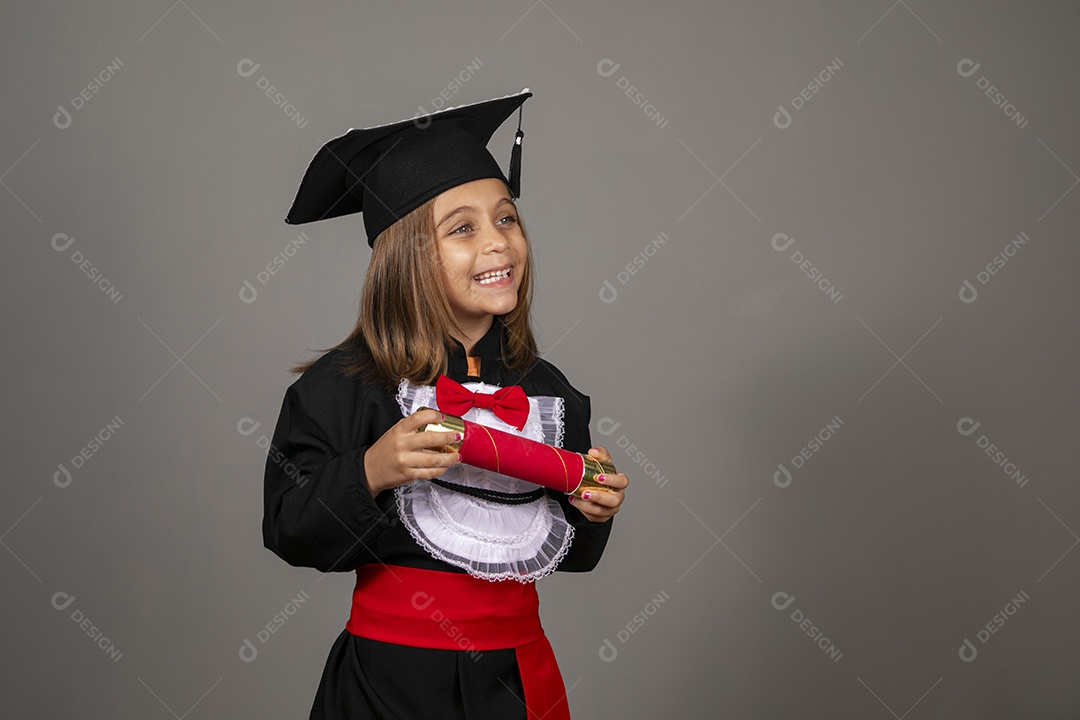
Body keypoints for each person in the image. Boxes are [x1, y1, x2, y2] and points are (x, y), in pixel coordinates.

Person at [263, 89, 628, 720]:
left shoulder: (550, 391)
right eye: (463, 228)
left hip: (516, 682)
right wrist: (372, 469)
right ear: (406, 258)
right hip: (389, 686)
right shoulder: (341, 387)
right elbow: (288, 528)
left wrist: (594, 510)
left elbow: (569, 554)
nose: (498, 243)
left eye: (506, 218)